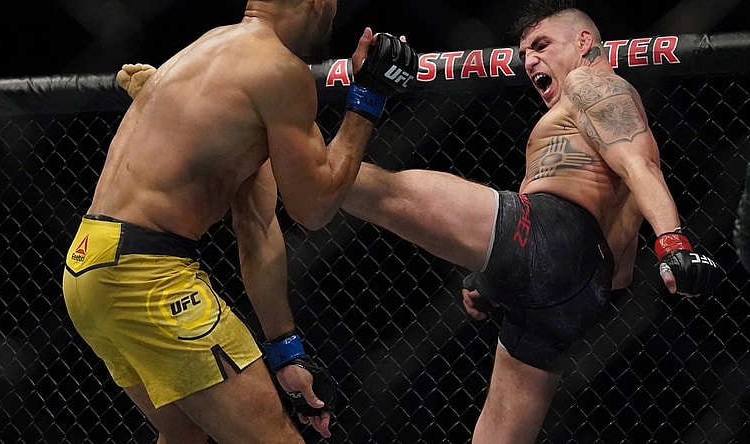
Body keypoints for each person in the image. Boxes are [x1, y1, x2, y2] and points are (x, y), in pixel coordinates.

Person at [338, 2, 723, 443]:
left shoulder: (589, 82)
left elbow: (640, 165)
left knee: (376, 188)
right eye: (525, 56)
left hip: (550, 235)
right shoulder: (579, 120)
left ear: (583, 43)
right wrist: (496, 277)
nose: (532, 61)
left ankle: (285, 154)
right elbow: (617, 269)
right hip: (579, 294)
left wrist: (673, 241)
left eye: (541, 46)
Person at [62, 0, 417, 443]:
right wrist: (367, 99)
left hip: (88, 267)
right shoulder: (280, 69)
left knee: (184, 436)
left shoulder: (204, 49)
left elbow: (257, 224)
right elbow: (315, 208)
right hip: (147, 277)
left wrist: (287, 352)